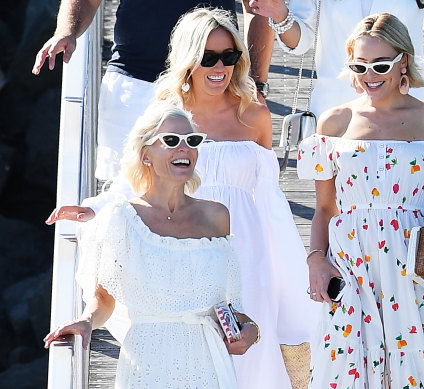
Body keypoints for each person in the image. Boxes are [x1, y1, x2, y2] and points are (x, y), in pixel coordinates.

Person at [47, 8, 319, 389]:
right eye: (208, 57)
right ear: (189, 60)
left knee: (252, 353)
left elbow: (270, 199)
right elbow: (139, 180)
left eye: (230, 56)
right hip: (193, 251)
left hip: (250, 251)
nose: (220, 66)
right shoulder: (167, 117)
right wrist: (95, 207)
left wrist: (289, 273)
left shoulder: (254, 114)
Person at [296, 13, 424, 388]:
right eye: (359, 65)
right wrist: (316, 262)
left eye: (380, 64)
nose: (369, 75)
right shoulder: (334, 123)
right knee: (346, 365)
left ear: (403, 62)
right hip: (350, 260)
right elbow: (325, 210)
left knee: (419, 364)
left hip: (411, 261)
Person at [44, 100, 259, 388]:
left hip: (210, 364)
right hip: (147, 363)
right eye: (171, 141)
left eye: (192, 141)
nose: (184, 148)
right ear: (146, 154)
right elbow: (103, 299)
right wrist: (85, 322)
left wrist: (251, 331)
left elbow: (233, 309)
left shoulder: (217, 216)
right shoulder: (120, 217)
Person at [32, 0, 273, 181]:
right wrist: (67, 31)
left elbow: (261, 6)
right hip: (134, 86)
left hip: (209, 87)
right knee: (124, 195)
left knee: (212, 195)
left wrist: (256, 84)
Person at [249, 0, 424, 118]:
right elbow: (301, 41)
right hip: (337, 116)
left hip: (408, 114)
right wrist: (280, 14)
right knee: (337, 221)